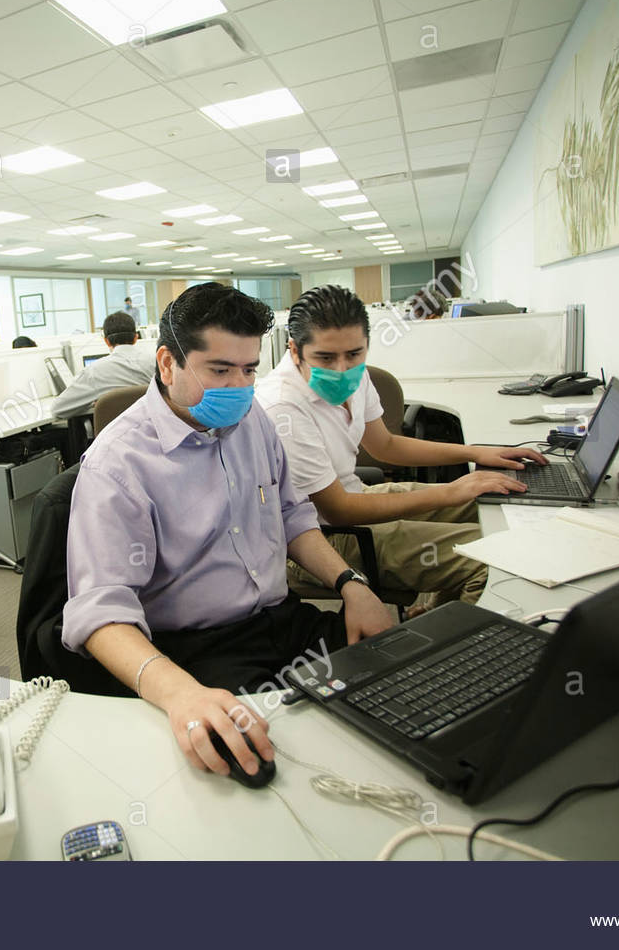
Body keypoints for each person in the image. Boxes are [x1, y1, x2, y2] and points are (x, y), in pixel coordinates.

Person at [63, 283, 395, 780]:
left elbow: (292, 516)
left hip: (279, 621)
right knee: (271, 766)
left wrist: (352, 585)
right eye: (219, 370)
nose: (238, 387)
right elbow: (100, 614)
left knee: (396, 681)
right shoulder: (117, 466)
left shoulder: (252, 418)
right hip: (197, 650)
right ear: (167, 364)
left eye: (248, 370)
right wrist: (181, 695)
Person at [255, 284, 546, 610]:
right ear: (294, 351)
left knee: (490, 500)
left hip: (354, 498)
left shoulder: (352, 372)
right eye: (325, 358)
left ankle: (433, 609)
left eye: (354, 354)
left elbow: (386, 445)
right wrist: (450, 491)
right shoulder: (283, 407)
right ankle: (442, 650)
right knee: (491, 557)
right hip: (321, 538)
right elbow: (338, 511)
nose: (341, 369)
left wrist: (475, 453)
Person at [50, 312, 157, 419]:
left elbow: (57, 410)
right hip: (157, 432)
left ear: (106, 341)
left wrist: (99, 403)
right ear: (136, 338)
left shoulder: (94, 371)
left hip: (116, 434)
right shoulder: (158, 363)